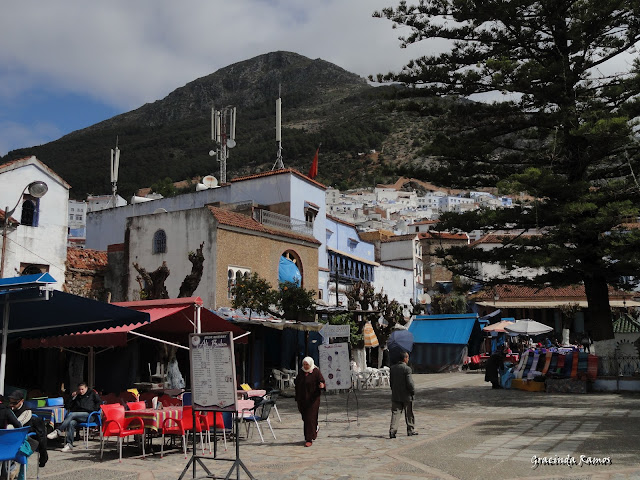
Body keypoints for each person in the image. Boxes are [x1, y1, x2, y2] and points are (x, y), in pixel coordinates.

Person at [47, 382, 101, 452]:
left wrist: (94, 410)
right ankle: (69, 444)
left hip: (89, 415)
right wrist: (72, 397)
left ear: (86, 388)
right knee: (71, 422)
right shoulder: (77, 396)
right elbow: (67, 406)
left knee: (72, 414)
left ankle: (58, 431)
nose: (81, 391)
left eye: (82, 389)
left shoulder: (92, 394)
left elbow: (99, 403)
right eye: (79, 389)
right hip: (78, 416)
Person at [8, 391, 48, 467]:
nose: (11, 405)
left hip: (24, 434)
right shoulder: (9, 408)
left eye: (14, 403)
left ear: (21, 401)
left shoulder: (27, 411)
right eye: (10, 402)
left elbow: (19, 424)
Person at [294, 357, 325, 447]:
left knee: (309, 418)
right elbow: (297, 383)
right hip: (302, 399)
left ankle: (308, 439)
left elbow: (321, 380)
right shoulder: (301, 372)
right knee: (306, 418)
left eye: (307, 364)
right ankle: (315, 429)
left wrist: (321, 385)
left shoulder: (316, 372)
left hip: (313, 399)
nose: (305, 366)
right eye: (304, 364)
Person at [389, 351, 417, 438]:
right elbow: (409, 383)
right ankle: (410, 430)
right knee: (409, 413)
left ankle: (392, 430)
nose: (408, 359)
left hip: (396, 394)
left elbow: (391, 382)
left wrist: (393, 390)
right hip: (406, 395)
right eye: (407, 357)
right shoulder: (407, 369)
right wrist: (412, 391)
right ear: (404, 358)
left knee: (395, 413)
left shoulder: (393, 368)